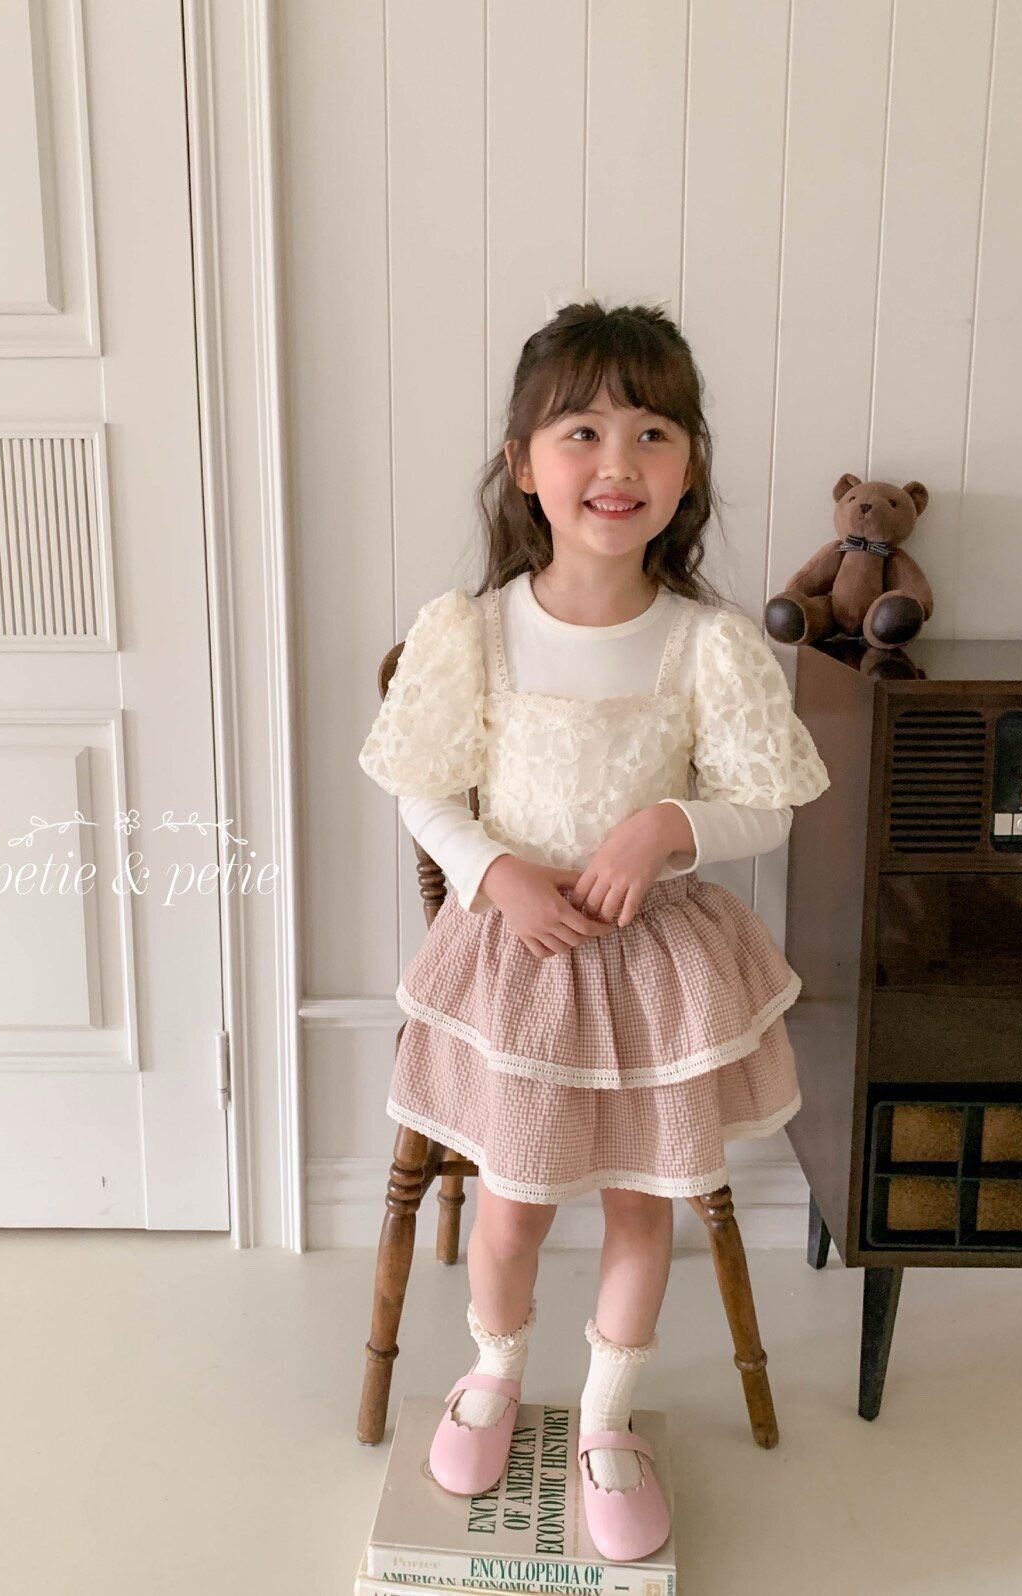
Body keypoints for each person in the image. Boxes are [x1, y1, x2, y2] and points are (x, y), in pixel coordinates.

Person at [356, 298, 830, 1561]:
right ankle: (493, 1375)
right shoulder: (472, 631)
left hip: (651, 974)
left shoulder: (707, 644)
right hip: (519, 964)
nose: (616, 464)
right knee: (510, 1207)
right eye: (581, 432)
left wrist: (666, 825)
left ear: (687, 468)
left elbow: (766, 801)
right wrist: (491, 871)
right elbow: (421, 786)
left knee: (639, 1205)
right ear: (524, 464)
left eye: (651, 433)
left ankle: (607, 1423)